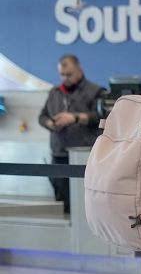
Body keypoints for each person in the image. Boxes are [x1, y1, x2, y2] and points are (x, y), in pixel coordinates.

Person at [38, 54, 105, 213]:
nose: (65, 78)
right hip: (59, 155)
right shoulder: (54, 92)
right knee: (63, 205)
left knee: (85, 206)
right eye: (62, 74)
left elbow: (101, 117)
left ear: (79, 70)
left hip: (84, 157)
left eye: (69, 74)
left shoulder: (96, 91)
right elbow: (42, 116)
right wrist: (50, 123)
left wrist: (74, 118)